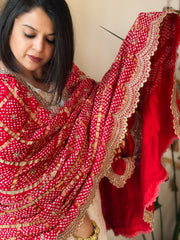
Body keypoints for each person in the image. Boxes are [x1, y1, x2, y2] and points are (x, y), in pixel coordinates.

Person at [0, 0, 179, 239]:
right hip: (43, 231)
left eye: (50, 39)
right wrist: (85, 228)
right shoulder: (4, 93)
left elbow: (103, 113)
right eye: (29, 34)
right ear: (8, 27)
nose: (38, 47)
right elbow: (15, 188)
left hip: (88, 216)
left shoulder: (64, 77)